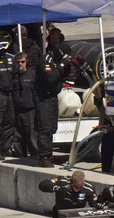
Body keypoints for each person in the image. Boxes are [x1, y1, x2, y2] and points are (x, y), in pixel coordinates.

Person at [36, 39, 75, 167]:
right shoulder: (45, 61)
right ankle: (43, 156)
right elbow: (51, 77)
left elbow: (64, 75)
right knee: (45, 127)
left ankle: (49, 154)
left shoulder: (56, 61)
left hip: (53, 97)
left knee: (52, 127)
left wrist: (69, 67)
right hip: (43, 98)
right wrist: (62, 65)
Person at [13, 52, 37, 158]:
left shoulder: (32, 74)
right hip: (16, 109)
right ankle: (20, 155)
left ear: (26, 62)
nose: (20, 64)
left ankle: (35, 154)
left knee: (31, 133)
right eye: (18, 62)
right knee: (18, 134)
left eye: (22, 62)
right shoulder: (13, 75)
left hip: (30, 109)